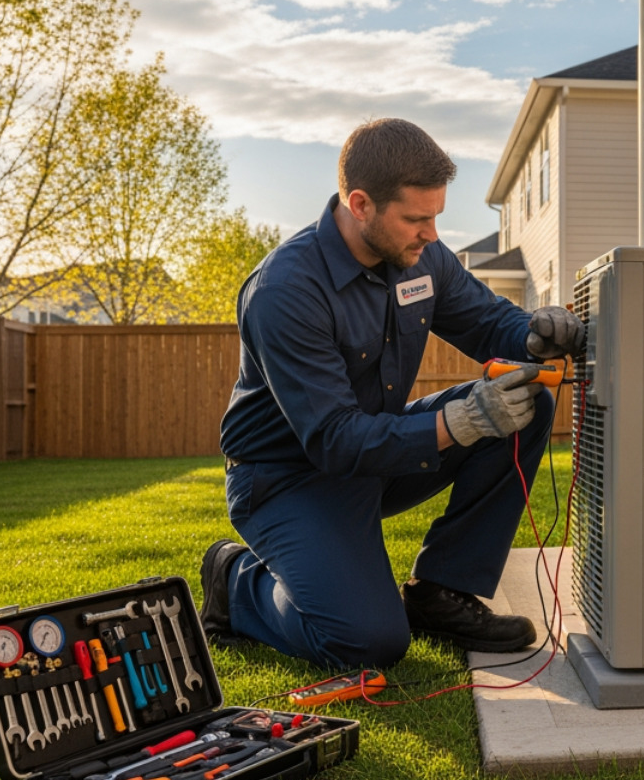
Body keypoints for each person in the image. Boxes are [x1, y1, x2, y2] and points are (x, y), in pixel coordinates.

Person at [200, 117, 586, 670]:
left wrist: (538, 332)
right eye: (416, 219)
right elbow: (333, 440)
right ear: (360, 204)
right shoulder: (285, 291)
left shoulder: (420, 258)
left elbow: (487, 322)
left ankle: (440, 593)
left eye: (436, 217)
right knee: (368, 643)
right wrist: (462, 421)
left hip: (380, 456)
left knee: (527, 405)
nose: (431, 233)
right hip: (290, 480)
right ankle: (235, 582)